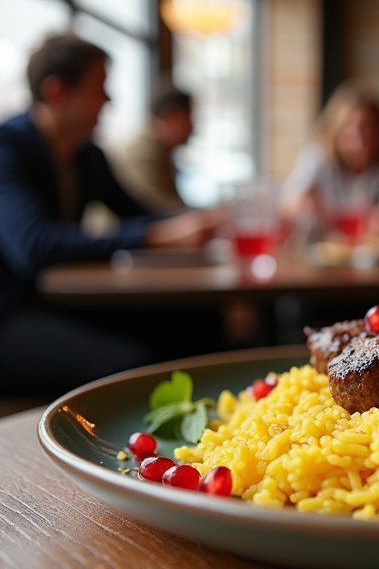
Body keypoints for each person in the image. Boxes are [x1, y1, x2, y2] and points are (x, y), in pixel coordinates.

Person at [0, 33, 221, 396]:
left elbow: (138, 214)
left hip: (55, 302)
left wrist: (200, 222)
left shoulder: (88, 157)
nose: (109, 99)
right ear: (57, 92)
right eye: (98, 88)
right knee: (127, 366)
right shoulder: (7, 148)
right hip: (10, 313)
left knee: (198, 318)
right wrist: (157, 236)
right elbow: (33, 245)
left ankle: (226, 424)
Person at [281, 83, 379, 246]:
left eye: (370, 131)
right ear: (336, 131)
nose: (361, 142)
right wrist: (303, 203)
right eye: (351, 132)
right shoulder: (317, 157)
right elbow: (288, 203)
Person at [107, 79, 194, 214]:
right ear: (172, 116)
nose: (193, 128)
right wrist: (207, 216)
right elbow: (154, 208)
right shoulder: (142, 150)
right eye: (190, 119)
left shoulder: (158, 147)